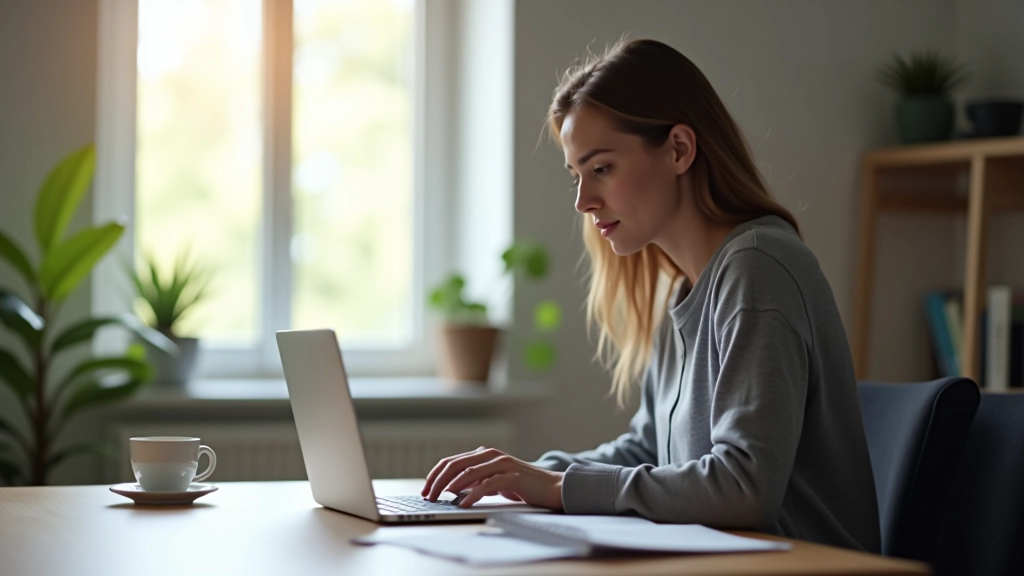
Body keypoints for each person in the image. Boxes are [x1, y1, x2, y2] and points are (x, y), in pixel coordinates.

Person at [420, 38, 881, 553]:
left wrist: (557, 489)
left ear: (680, 149)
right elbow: (648, 447)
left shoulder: (759, 268)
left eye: (601, 169)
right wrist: (523, 474)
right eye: (576, 175)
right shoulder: (688, 285)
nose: (583, 201)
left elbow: (745, 486)